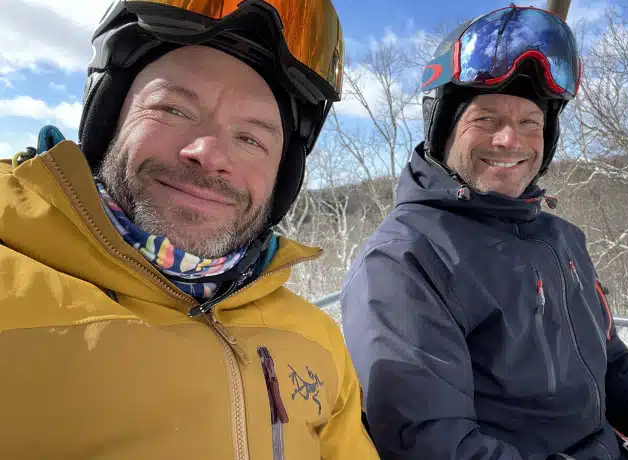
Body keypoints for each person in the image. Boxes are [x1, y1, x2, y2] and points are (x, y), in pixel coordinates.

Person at [341, 6, 628, 460]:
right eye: (485, 119)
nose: (509, 140)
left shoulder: (561, 240)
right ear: (443, 127)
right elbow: (432, 444)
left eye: (529, 123)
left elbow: (612, 367)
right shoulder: (405, 262)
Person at [0, 1, 378, 459]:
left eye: (251, 138)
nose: (210, 153)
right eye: (174, 109)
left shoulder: (318, 340)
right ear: (109, 117)